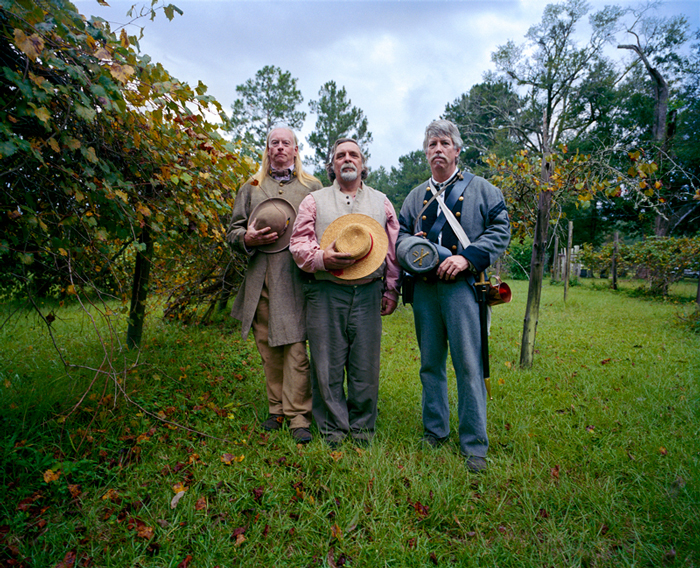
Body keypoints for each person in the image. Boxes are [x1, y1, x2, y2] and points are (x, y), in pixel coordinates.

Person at [396, 120, 510, 472]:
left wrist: (466, 258)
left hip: (463, 289)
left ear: (457, 150)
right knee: (431, 365)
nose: (438, 149)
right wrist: (412, 246)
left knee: (468, 367)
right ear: (426, 152)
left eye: (445, 143)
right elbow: (397, 237)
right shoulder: (416, 196)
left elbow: (501, 229)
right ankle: (435, 431)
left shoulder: (484, 190)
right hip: (427, 289)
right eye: (432, 144)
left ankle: (474, 444)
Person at [289, 138, 401, 448]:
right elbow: (298, 245)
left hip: (368, 294)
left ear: (363, 165)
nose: (347, 159)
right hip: (326, 292)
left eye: (354, 154)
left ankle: (363, 429)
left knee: (365, 365)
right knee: (326, 364)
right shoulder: (314, 201)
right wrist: (323, 258)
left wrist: (391, 290)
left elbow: (392, 251)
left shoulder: (382, 202)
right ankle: (333, 430)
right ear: (332, 166)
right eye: (340, 155)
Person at [227, 126, 322, 444]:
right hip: (262, 281)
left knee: (295, 347)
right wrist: (247, 239)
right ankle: (276, 409)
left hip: (297, 280)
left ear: (296, 150)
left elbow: (322, 231)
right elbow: (233, 231)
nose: (280, 148)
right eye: (274, 143)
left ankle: (298, 416)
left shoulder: (313, 187)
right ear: (267, 151)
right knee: (268, 348)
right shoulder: (251, 187)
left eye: (286, 143)